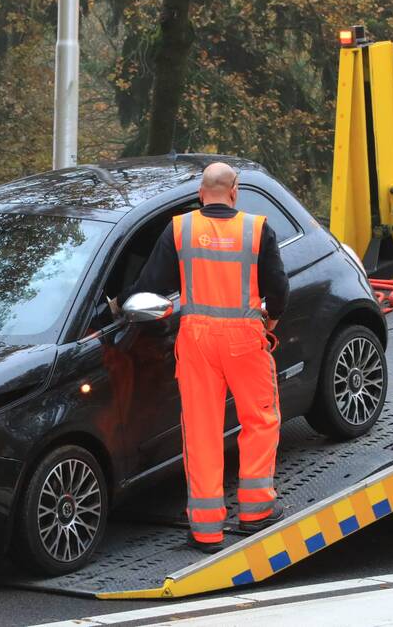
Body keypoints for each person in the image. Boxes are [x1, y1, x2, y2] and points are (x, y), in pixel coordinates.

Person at [116, 162, 289, 553]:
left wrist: (119, 304)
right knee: (260, 419)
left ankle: (207, 529)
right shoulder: (257, 229)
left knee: (202, 431)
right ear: (234, 190)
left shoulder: (180, 229)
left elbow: (149, 287)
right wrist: (271, 319)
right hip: (246, 337)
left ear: (200, 191)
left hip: (196, 341)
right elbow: (278, 286)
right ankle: (256, 510)